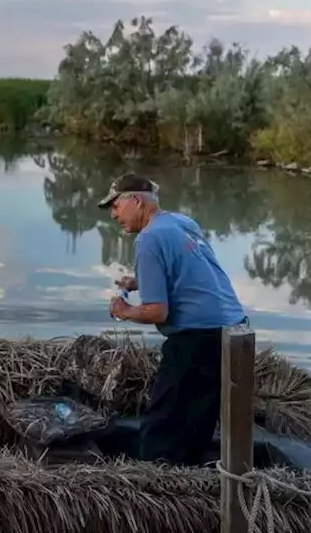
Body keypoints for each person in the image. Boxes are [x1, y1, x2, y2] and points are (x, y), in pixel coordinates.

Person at [97, 172, 248, 466]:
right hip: (235, 327)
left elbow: (157, 311)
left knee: (161, 422)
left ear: (137, 201)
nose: (113, 214)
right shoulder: (181, 223)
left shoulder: (148, 239)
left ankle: (156, 486)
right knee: (199, 415)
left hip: (198, 337)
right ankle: (191, 475)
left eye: (115, 205)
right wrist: (139, 282)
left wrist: (123, 311)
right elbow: (189, 269)